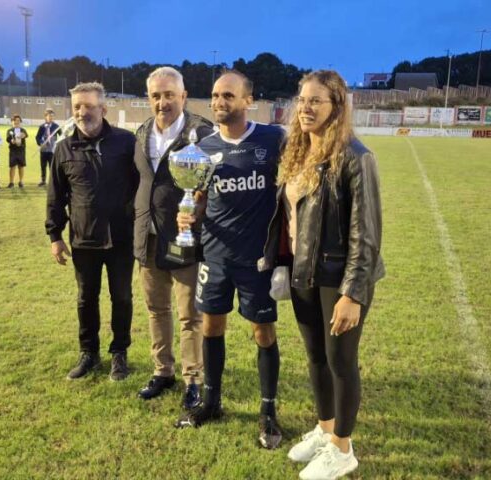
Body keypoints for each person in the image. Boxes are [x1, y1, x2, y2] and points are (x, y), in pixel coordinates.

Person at [260, 70, 384, 479]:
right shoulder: (298, 152)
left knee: (340, 361)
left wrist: (353, 292)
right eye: (302, 100)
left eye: (317, 101)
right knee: (315, 358)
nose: (306, 108)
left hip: (338, 276)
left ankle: (342, 449)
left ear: (337, 107)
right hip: (302, 271)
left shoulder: (355, 157)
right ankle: (326, 429)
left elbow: (365, 234)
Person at [175, 71, 285, 450]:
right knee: (211, 328)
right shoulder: (202, 147)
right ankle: (211, 401)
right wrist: (190, 212)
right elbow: (200, 197)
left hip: (257, 259)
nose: (219, 102)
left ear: (247, 100)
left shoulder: (272, 139)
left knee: (262, 332)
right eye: (215, 96)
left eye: (228, 96)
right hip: (215, 254)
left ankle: (268, 411)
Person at [45, 82, 137, 381]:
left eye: (88, 106)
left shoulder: (126, 142)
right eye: (76, 107)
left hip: (122, 237)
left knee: (121, 297)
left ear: (103, 109)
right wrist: (55, 236)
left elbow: (141, 186)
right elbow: (56, 196)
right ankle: (89, 353)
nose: (82, 112)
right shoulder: (64, 148)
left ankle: (119, 353)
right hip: (84, 239)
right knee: (86, 298)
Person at [134, 67, 214, 410]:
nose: (162, 102)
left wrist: (199, 213)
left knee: (190, 315)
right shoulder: (140, 133)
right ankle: (162, 370)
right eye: (156, 96)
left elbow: (216, 187)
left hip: (185, 237)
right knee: (156, 310)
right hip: (147, 236)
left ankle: (193, 379)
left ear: (183, 96)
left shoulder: (203, 134)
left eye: (169, 95)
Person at [35, 109, 61, 187]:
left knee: (52, 166)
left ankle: (52, 181)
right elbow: (37, 137)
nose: (50, 117)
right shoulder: (42, 127)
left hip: (52, 150)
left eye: (52, 116)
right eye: (49, 116)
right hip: (44, 150)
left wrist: (57, 143)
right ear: (45, 117)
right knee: (43, 166)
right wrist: (40, 143)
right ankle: (43, 180)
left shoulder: (56, 126)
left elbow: (61, 136)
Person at [5, 115, 28, 188]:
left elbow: (26, 135)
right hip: (13, 151)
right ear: (12, 122)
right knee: (12, 167)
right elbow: (8, 139)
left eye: (18, 120)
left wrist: (23, 135)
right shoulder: (9, 130)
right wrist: (12, 141)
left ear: (20, 122)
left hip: (21, 150)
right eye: (14, 120)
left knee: (21, 166)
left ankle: (21, 181)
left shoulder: (23, 130)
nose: (16, 122)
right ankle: (11, 182)